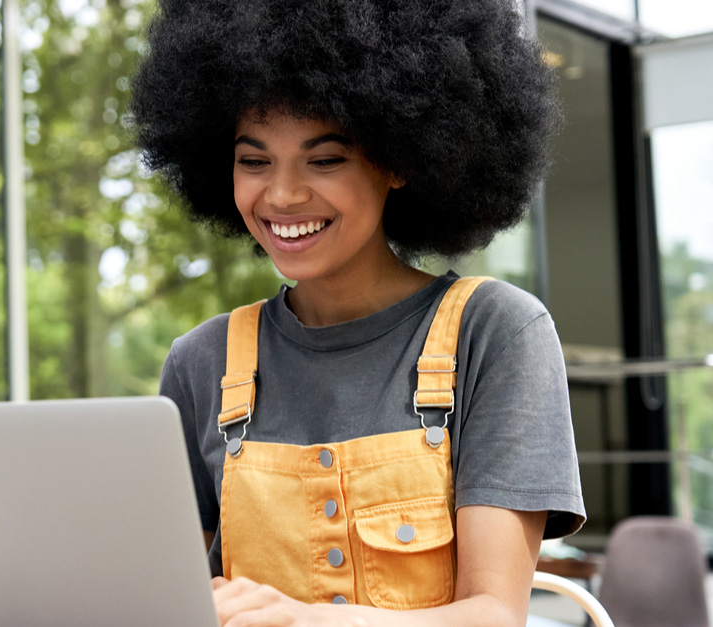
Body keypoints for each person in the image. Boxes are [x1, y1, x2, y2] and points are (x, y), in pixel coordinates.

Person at [131, 0, 586, 625]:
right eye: (254, 160)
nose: (284, 195)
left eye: (325, 159)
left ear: (398, 160)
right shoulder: (200, 361)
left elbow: (495, 616)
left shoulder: (497, 332)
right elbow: (169, 598)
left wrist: (305, 619)